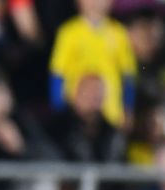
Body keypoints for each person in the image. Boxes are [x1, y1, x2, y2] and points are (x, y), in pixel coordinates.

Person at [48, 0, 136, 128]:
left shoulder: (120, 33)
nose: (95, 3)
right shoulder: (68, 32)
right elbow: (57, 73)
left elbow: (128, 75)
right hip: (77, 113)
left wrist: (128, 109)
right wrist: (59, 109)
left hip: (111, 113)